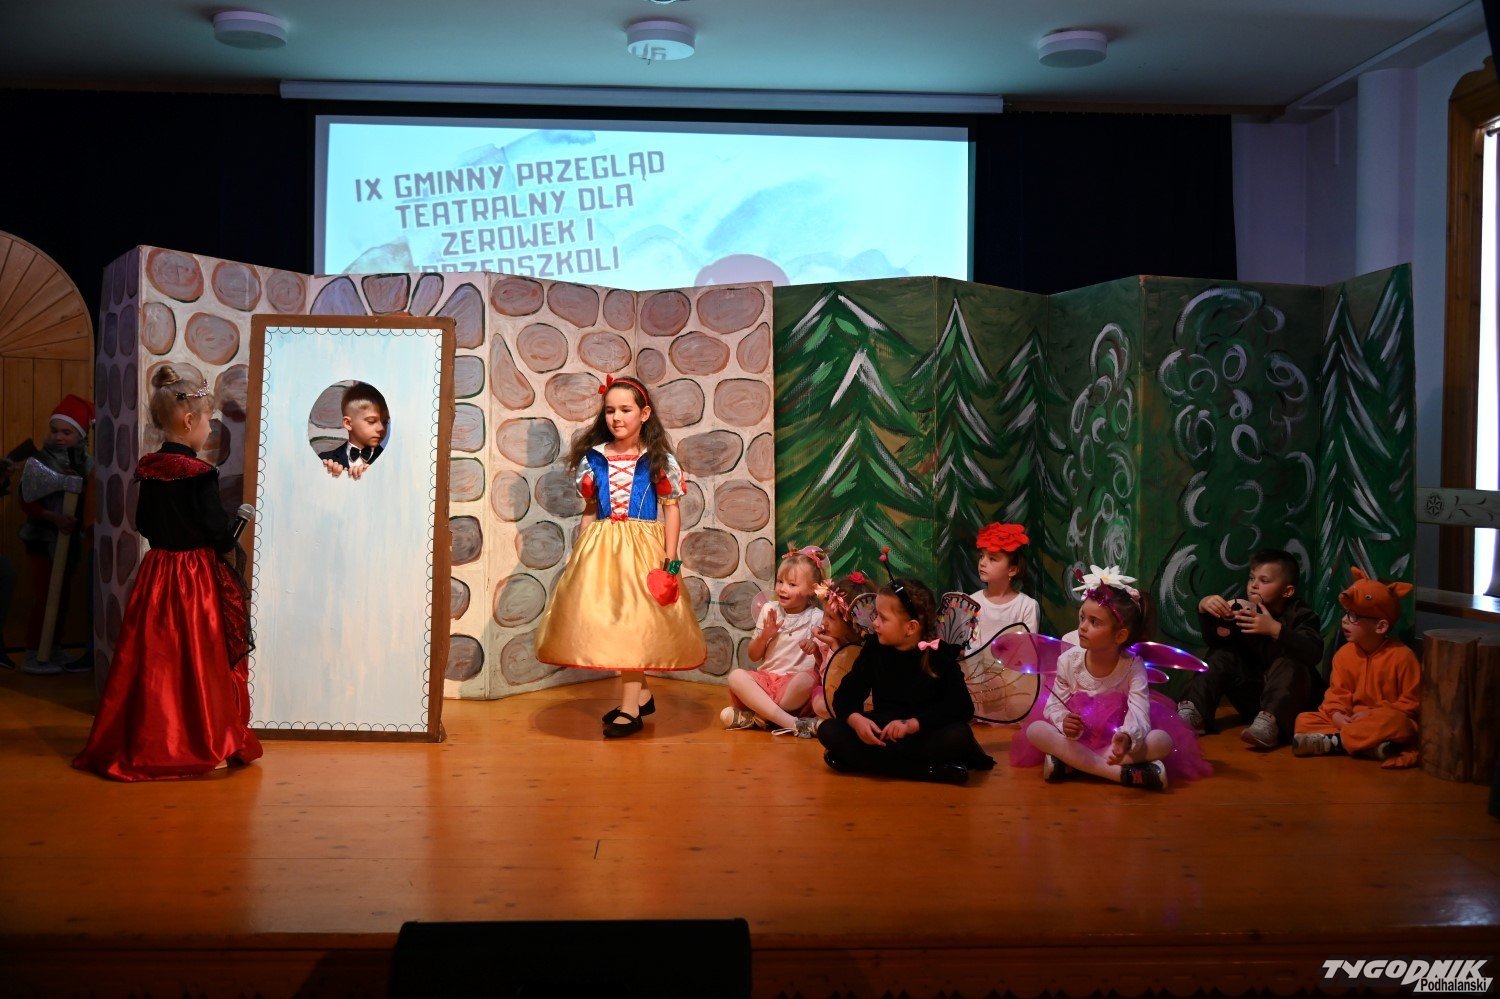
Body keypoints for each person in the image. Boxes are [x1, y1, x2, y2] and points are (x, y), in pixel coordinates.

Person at [73, 366, 262, 781]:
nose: (210, 428)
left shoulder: (150, 469)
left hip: (157, 571)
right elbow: (215, 530)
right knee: (197, 655)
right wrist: (227, 540)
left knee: (154, 656)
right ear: (189, 421)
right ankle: (201, 738)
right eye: (209, 420)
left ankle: (150, 734)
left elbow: (143, 522)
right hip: (193, 576)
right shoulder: (201, 474)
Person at [533, 374, 706, 737]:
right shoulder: (594, 458)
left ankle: (630, 709)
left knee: (634, 624)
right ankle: (640, 695)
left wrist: (671, 559)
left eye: (625, 410)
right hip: (602, 546)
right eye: (610, 410)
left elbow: (671, 508)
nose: (616, 417)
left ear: (644, 414)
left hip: (642, 547)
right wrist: (580, 552)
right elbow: (590, 509)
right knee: (612, 622)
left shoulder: (657, 459)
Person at [1018, 566, 1209, 791]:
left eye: (1094, 622)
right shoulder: (1068, 661)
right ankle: (1122, 774)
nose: (1082, 627)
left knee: (1162, 741)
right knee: (1036, 730)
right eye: (1082, 618)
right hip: (1078, 738)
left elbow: (1139, 713)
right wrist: (1064, 721)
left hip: (1114, 741)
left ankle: (1071, 763)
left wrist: (1127, 736)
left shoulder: (1133, 666)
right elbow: (1053, 706)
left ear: (1120, 635)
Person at [816, 574, 994, 784]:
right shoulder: (874, 648)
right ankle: (928, 771)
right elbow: (845, 696)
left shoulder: (939, 654)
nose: (875, 623)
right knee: (828, 729)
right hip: (883, 730)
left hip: (922, 734)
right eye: (876, 615)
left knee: (959, 735)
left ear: (910, 627)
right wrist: (856, 720)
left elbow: (961, 707)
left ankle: (869, 764)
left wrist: (913, 724)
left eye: (883, 618)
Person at [1176, 548, 1324, 749]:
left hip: (1288, 706)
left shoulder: (1301, 614)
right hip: (1253, 697)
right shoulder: (1243, 608)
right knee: (1221, 654)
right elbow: (1216, 641)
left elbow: (1313, 652)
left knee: (1291, 662)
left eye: (1264, 581)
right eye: (1252, 578)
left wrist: (1275, 629)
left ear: (1287, 591)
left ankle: (1270, 723)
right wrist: (1204, 609)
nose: (1254, 585)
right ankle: (1195, 711)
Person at [1293, 568, 1420, 767]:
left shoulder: (1403, 656)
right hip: (1352, 720)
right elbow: (1337, 693)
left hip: (1380, 720)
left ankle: (1337, 743)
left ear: (1380, 626)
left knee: (1399, 724)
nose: (1345, 620)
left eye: (1355, 617)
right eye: (1346, 614)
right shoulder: (1344, 655)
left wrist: (1372, 714)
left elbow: (1411, 704)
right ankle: (1372, 747)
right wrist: (1337, 715)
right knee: (1304, 720)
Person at [19, 394, 94, 674]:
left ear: (80, 435)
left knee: (61, 597)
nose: (59, 437)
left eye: (67, 432)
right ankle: (34, 652)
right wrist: (54, 517)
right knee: (45, 596)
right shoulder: (40, 461)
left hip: (70, 541)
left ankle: (53, 646)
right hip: (42, 540)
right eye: (55, 431)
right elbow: (27, 500)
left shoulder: (86, 464)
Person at [722, 545, 827, 737]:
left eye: (792, 585)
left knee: (808, 679)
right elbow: (753, 656)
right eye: (780, 581)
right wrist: (764, 636)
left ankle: (760, 716)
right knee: (736, 676)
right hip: (767, 682)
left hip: (792, 690)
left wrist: (815, 649)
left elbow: (824, 664)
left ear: (812, 590)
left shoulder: (817, 618)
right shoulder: (769, 609)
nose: (783, 589)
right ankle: (791, 723)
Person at [803, 570, 878, 721]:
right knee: (819, 701)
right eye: (824, 614)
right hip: (835, 696)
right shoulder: (831, 638)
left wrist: (836, 648)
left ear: (850, 623)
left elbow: (853, 688)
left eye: (831, 618)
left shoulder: (869, 647)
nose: (823, 622)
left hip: (863, 702)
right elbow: (828, 682)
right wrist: (821, 651)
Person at [966, 522, 1040, 654]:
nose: (982, 563)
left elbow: (1027, 652)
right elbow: (969, 647)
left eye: (992, 558)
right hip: (976, 667)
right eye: (982, 556)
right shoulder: (972, 602)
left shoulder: (1027, 606)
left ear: (1012, 570)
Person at [319, 382, 388, 480]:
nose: (381, 428)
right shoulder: (326, 458)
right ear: (348, 423)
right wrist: (328, 473)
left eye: (385, 422)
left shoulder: (389, 459)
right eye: (371, 421)